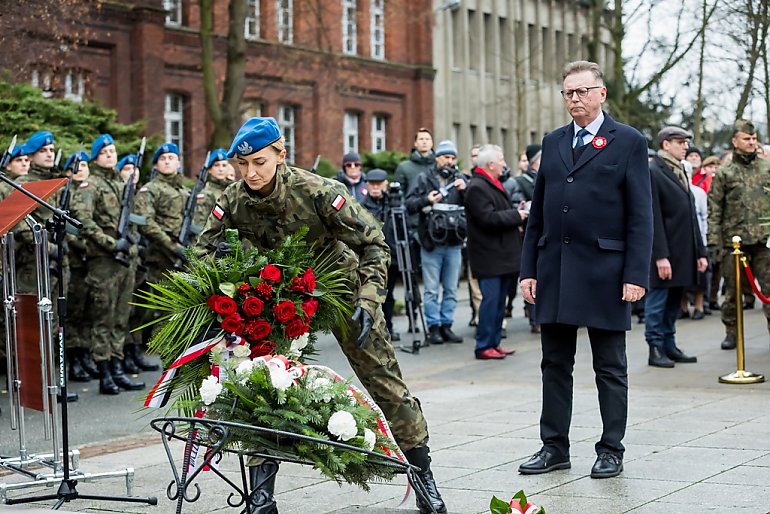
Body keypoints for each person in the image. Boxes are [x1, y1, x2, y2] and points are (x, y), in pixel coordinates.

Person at [195, 117, 446, 514]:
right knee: (261, 383)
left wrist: (368, 301)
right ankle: (261, 496)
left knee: (382, 376)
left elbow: (374, 245)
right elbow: (201, 251)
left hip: (340, 287)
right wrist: (223, 265)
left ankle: (422, 475)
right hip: (278, 297)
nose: (250, 173)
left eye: (259, 162)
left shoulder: (319, 191)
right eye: (243, 165)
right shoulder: (233, 199)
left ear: (281, 155)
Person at [518, 61, 652, 479]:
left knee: (609, 367)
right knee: (554, 365)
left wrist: (635, 275)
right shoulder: (554, 141)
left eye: (581, 91)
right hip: (555, 270)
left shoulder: (628, 141)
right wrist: (528, 269)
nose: (574, 99)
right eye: (568, 93)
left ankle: (611, 448)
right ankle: (554, 446)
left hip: (606, 273)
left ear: (601, 94)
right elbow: (537, 213)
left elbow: (640, 216)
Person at [70, 134, 145, 395]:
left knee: (121, 316)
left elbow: (133, 218)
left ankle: (117, 365)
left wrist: (132, 240)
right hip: (104, 261)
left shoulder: (121, 184)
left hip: (126, 260)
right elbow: (83, 221)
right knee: (104, 317)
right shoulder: (90, 185)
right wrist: (111, 244)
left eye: (113, 150)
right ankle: (104, 371)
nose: (110, 155)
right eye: (105, 152)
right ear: (96, 156)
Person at [644, 126, 707, 368]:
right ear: (665, 145)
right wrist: (660, 255)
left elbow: (691, 215)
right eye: (680, 142)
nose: (685, 146)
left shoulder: (680, 170)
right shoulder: (654, 171)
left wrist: (700, 252)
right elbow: (654, 216)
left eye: (685, 142)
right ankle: (655, 347)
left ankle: (669, 345)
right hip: (666, 252)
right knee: (658, 301)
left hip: (683, 251)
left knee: (673, 301)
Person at [707, 119, 770, 350]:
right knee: (732, 293)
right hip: (734, 243)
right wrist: (714, 242)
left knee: (769, 290)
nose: (752, 142)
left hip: (764, 241)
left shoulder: (766, 168)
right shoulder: (725, 172)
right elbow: (715, 209)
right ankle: (731, 332)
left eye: (754, 139)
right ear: (735, 141)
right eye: (747, 139)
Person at [464, 144, 526, 360]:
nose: (504, 164)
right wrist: (517, 216)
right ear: (490, 164)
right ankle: (483, 345)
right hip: (489, 256)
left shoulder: (490, 183)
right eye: (501, 160)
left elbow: (498, 212)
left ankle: (494, 342)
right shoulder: (477, 187)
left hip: (501, 255)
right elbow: (488, 218)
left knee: (499, 302)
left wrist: (515, 212)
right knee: (490, 302)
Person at [406, 139, 467, 345]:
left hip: (455, 242)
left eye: (452, 158)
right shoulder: (424, 178)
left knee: (451, 288)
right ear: (437, 158)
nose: (449, 161)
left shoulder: (460, 179)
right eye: (446, 157)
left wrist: (466, 190)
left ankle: (446, 325)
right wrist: (427, 200)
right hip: (431, 242)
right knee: (431, 289)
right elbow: (409, 204)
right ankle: (433, 327)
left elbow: (475, 206)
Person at [61, 150, 99, 383]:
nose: (81, 169)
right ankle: (73, 359)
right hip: (75, 260)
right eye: (76, 166)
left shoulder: (91, 192)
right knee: (74, 313)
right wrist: (82, 244)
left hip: (91, 259)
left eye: (84, 164)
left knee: (87, 311)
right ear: (68, 172)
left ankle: (84, 356)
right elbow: (66, 229)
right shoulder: (65, 194)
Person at [359, 168, 401, 342]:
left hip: (391, 256)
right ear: (367, 185)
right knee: (372, 294)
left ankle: (388, 327)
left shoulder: (394, 204)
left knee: (389, 295)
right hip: (369, 259)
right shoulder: (361, 206)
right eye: (372, 184)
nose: (376, 188)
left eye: (379, 184)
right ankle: (371, 329)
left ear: (386, 185)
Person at [508, 143, 542, 334]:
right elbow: (514, 203)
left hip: (547, 233)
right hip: (527, 234)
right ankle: (535, 318)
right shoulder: (519, 181)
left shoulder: (547, 177)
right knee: (531, 276)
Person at [192, 148, 233, 233]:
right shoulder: (206, 194)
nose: (221, 169)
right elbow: (199, 225)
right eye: (216, 165)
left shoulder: (233, 190)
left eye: (224, 165)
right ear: (210, 170)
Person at [465, 144, 483, 327]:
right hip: (473, 240)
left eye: (480, 154)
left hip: (491, 244)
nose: (476, 158)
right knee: (475, 285)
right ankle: (478, 316)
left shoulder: (499, 179)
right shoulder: (467, 180)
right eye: (474, 155)